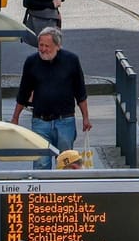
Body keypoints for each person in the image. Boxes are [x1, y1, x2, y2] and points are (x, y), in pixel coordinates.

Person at [9, 27, 92, 168]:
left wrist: (85, 117)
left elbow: (80, 92)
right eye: (40, 45)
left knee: (66, 163)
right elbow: (23, 92)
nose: (42, 49)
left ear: (57, 46)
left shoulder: (71, 60)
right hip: (40, 122)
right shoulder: (31, 62)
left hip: (65, 121)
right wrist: (15, 117)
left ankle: (65, 190)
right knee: (41, 163)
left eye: (47, 46)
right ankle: (43, 190)